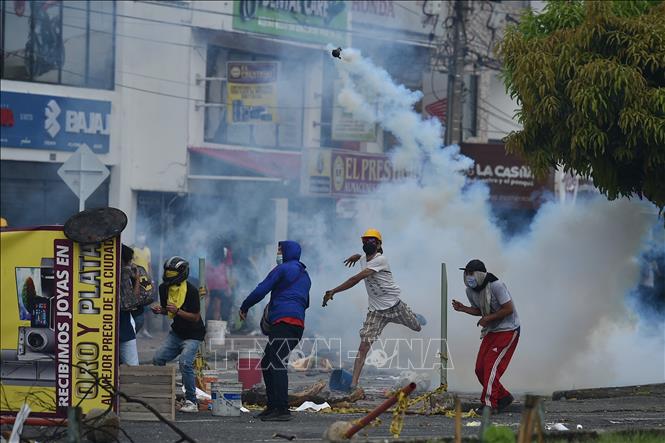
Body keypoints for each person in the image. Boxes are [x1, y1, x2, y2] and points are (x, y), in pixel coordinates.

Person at [323, 229, 424, 392]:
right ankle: (353, 385)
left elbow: (355, 279)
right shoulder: (364, 258)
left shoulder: (381, 260)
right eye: (364, 241)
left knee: (417, 327)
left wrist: (334, 291)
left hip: (395, 306)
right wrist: (356, 256)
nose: (367, 244)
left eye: (371, 241)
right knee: (363, 346)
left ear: (378, 245)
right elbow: (362, 258)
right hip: (376, 310)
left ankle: (415, 316)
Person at [239, 241, 311, 422]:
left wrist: (245, 306)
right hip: (297, 325)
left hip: (283, 322)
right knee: (267, 361)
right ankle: (272, 406)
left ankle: (282, 409)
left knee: (277, 363)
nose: (278, 253)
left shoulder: (283, 269)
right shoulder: (305, 275)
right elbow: (306, 302)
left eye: (280, 250)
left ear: (286, 252)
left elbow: (261, 289)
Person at [452, 259, 520, 414]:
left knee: (490, 366)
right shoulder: (470, 291)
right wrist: (463, 309)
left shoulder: (496, 285)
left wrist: (487, 319)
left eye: (471, 273)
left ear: (480, 275)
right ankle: (503, 397)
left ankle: (489, 404)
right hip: (492, 331)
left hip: (508, 330)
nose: (468, 276)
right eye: (466, 273)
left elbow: (508, 309)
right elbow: (480, 310)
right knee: (479, 369)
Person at [151, 256, 206, 413]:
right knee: (158, 358)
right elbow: (167, 310)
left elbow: (195, 317)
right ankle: (164, 396)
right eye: (167, 273)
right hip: (177, 333)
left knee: (185, 363)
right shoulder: (164, 288)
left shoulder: (192, 291)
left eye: (172, 273)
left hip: (194, 334)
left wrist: (178, 311)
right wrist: (159, 310)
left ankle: (191, 401)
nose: (169, 276)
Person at [119, 245, 139, 366]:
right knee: (132, 367)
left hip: (120, 326)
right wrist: (137, 280)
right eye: (130, 260)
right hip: (123, 326)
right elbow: (132, 302)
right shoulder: (125, 274)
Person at [132, 233, 153, 337]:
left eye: (143, 240)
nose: (141, 242)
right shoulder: (133, 250)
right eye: (140, 240)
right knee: (136, 304)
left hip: (145, 281)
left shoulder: (147, 250)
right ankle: (137, 330)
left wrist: (151, 279)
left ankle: (145, 330)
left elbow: (149, 266)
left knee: (146, 304)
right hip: (135, 280)